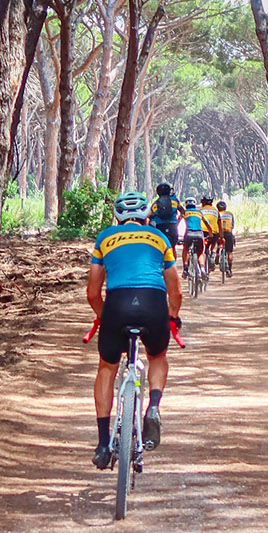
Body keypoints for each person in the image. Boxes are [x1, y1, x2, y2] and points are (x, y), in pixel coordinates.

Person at [87, 191, 181, 468]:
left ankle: (103, 444)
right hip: (153, 305)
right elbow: (175, 291)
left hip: (116, 305)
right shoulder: (160, 238)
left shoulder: (104, 238)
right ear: (145, 216)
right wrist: (172, 317)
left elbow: (93, 293)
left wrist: (105, 318)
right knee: (157, 356)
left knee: (107, 367)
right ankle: (152, 405)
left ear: (118, 216)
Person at [149, 181, 180, 250]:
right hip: (172, 226)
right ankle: (173, 260)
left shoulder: (155, 204)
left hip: (160, 227)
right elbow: (183, 211)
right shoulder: (175, 201)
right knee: (172, 248)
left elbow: (149, 216)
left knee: (159, 247)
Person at [181, 195, 206, 276]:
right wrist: (210, 234)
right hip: (199, 234)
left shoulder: (184, 212)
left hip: (188, 234)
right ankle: (202, 268)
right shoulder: (199, 212)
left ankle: (185, 269)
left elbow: (177, 223)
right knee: (200, 252)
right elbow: (207, 224)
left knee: (186, 249)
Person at [216, 199, 235, 275]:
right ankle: (229, 270)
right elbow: (232, 226)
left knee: (217, 242)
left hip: (219, 233)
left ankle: (217, 253)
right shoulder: (230, 214)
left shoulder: (217, 214)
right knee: (229, 252)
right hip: (228, 233)